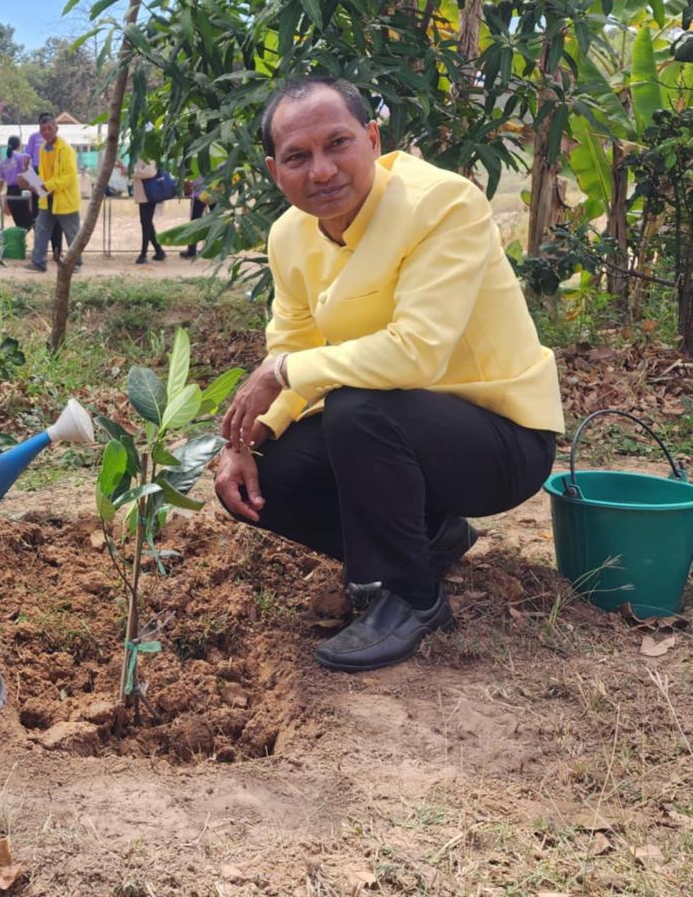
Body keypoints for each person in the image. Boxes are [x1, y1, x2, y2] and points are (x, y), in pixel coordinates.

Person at [215, 76, 564, 673]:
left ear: (374, 139)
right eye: (299, 157)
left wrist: (283, 370)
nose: (321, 170)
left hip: (500, 440)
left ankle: (410, 595)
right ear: (277, 171)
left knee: (357, 407)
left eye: (338, 144)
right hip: (399, 432)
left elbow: (415, 353)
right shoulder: (289, 235)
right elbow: (293, 341)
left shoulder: (441, 204)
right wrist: (247, 441)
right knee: (264, 481)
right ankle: (431, 540)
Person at [20, 113, 81, 273]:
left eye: (49, 128)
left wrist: (47, 185)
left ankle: (76, 263)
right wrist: (34, 183)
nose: (46, 132)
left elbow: (69, 176)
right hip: (47, 198)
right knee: (41, 229)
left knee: (72, 232)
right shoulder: (42, 149)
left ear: (56, 129)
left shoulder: (66, 149)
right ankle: (38, 262)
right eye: (43, 129)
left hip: (64, 199)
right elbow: (42, 173)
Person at [26, 128, 62, 261]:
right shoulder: (33, 137)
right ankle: (41, 252)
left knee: (56, 216)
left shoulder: (58, 141)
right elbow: (27, 158)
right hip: (37, 173)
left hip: (53, 176)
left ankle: (57, 250)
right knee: (39, 216)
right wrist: (31, 178)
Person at [131, 159, 167, 264]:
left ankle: (144, 254)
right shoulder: (141, 156)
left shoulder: (149, 155)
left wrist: (131, 172)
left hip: (148, 194)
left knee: (146, 223)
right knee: (147, 223)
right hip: (144, 195)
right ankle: (159, 251)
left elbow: (150, 172)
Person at [0, 135, 33, 231]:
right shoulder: (22, 157)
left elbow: (1, 181)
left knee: (20, 226)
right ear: (19, 145)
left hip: (11, 195)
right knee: (31, 222)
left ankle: (19, 242)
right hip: (22, 192)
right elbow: (29, 172)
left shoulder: (3, 163)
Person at [182, 176, 211, 259]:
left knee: (195, 222)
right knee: (216, 221)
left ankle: (191, 250)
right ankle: (215, 250)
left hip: (199, 193)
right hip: (215, 192)